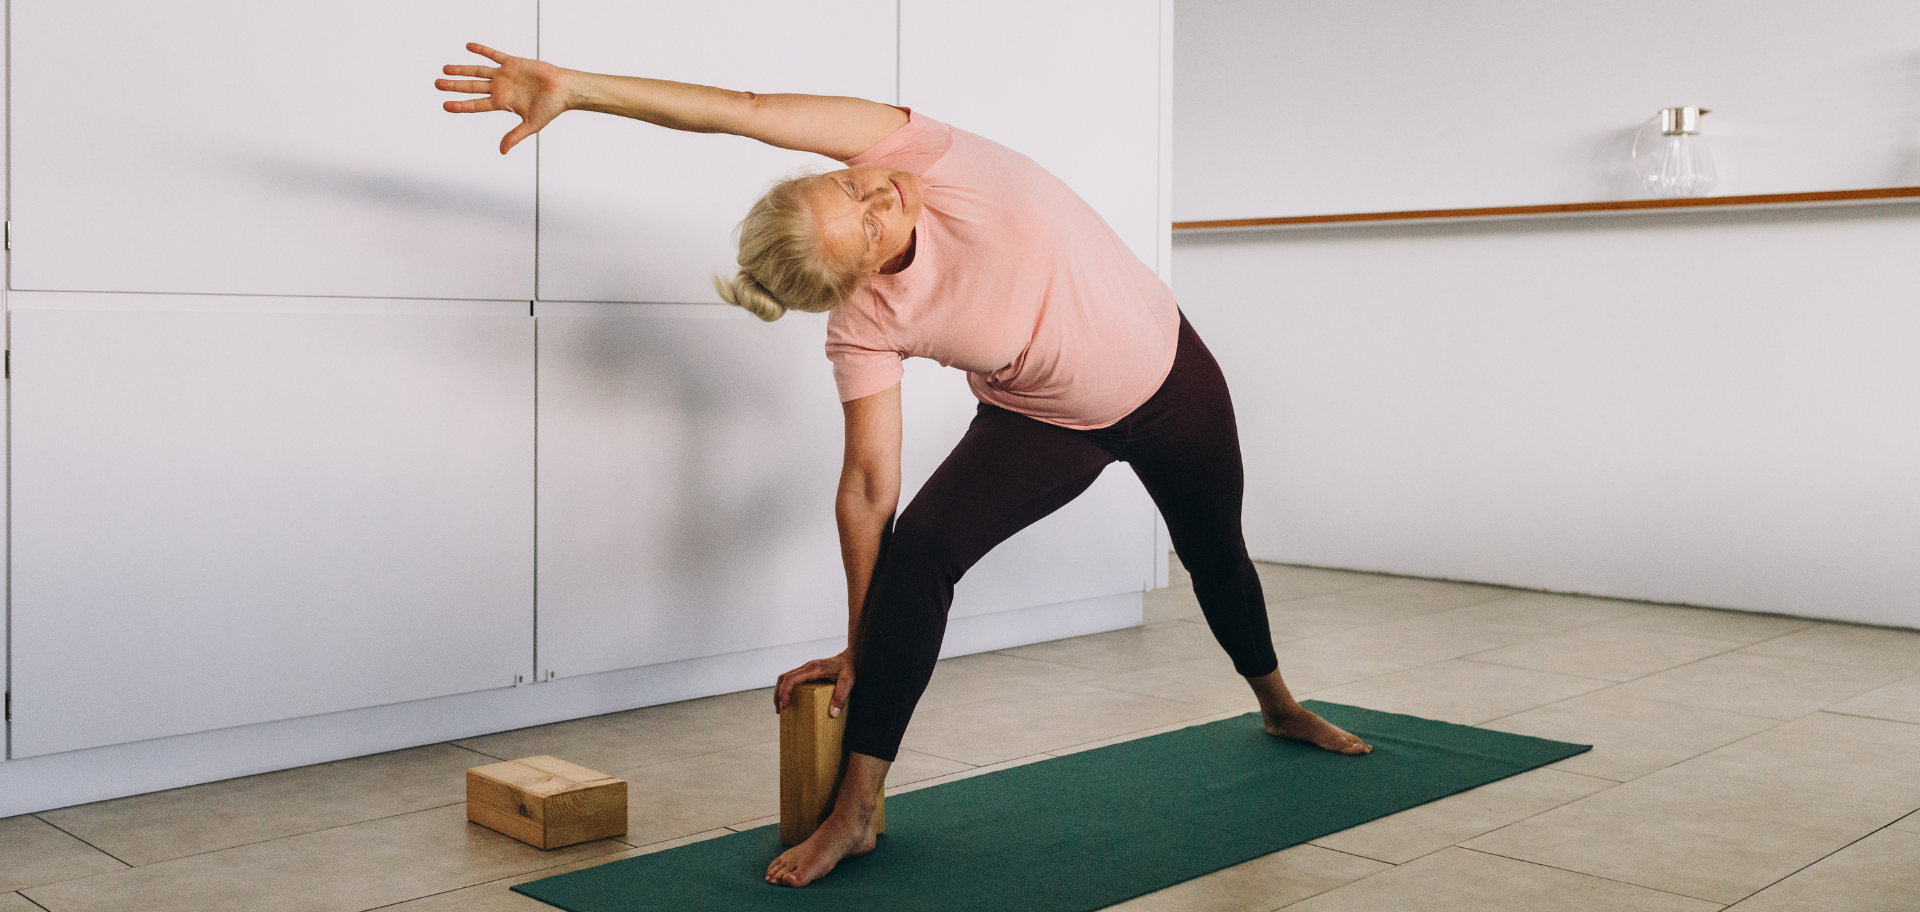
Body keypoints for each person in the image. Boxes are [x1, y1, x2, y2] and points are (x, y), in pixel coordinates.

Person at [436, 43, 1371, 889]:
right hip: (1047, 420)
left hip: (1171, 382)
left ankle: (1277, 702)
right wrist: (865, 640)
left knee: (1216, 556)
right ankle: (858, 810)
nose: (878, 198)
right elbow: (868, 489)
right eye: (867, 224)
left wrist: (581, 89)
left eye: (845, 189)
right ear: (861, 282)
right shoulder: (866, 325)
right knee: (918, 545)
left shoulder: (915, 154)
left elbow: (743, 106)